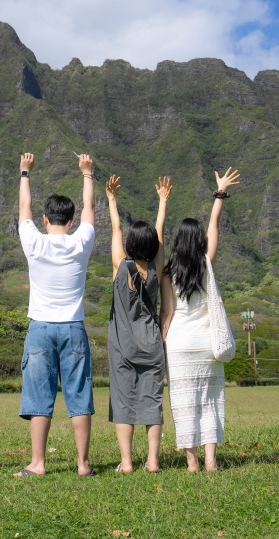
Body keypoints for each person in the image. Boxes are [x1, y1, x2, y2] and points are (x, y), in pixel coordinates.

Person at [14, 151, 98, 477]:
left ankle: (38, 464)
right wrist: (87, 173)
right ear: (72, 221)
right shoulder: (82, 243)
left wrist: (25, 173)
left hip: (41, 329)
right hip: (74, 327)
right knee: (79, 394)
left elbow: (23, 210)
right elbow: (91, 210)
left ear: (45, 220)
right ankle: (83, 464)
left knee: (39, 395)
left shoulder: (34, 242)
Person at [160, 167, 241, 473]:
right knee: (210, 403)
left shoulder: (168, 273)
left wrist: (163, 340)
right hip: (207, 345)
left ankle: (191, 463)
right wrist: (219, 193)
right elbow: (215, 224)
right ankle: (211, 462)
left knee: (184, 406)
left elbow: (167, 313)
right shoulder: (207, 264)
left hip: (179, 344)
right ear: (199, 242)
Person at [105, 174, 171, 473]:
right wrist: (163, 201)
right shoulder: (157, 270)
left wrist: (112, 199)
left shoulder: (120, 267)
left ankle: (127, 462)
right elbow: (159, 235)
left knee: (123, 401)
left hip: (123, 346)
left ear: (131, 244)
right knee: (151, 402)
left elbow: (115, 228)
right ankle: (153, 461)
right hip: (153, 344)